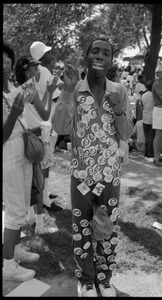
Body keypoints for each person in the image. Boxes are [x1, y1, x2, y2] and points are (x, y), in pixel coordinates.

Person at [52, 38, 134, 297]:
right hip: (82, 176)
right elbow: (60, 128)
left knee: (107, 228)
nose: (100, 56)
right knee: (82, 227)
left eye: (106, 53)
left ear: (111, 60)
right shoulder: (74, 89)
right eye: (95, 51)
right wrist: (66, 91)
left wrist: (119, 109)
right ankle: (86, 279)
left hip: (110, 174)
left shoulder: (119, 90)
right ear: (86, 56)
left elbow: (127, 133)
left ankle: (104, 278)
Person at [3, 42, 39, 281]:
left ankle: (15, 251)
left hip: (22, 147)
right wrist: (15, 112)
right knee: (15, 210)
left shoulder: (9, 86)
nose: (5, 65)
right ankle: (8, 267)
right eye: (1, 62)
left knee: (23, 204)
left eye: (8, 61)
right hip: (8, 151)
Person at [15, 56, 61, 234]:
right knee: (38, 181)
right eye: (35, 69)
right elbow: (45, 115)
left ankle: (32, 218)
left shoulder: (20, 88)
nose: (39, 71)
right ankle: (39, 225)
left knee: (31, 181)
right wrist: (50, 91)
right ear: (27, 72)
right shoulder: (31, 88)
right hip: (34, 137)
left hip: (24, 137)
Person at [30, 41, 62, 211]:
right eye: (48, 53)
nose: (51, 55)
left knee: (43, 163)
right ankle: (44, 199)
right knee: (45, 163)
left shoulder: (35, 71)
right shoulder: (44, 71)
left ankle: (45, 194)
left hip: (36, 122)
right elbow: (55, 96)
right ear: (42, 56)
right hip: (44, 123)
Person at [141, 80, 155, 161]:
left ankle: (146, 152)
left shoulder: (144, 95)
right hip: (152, 116)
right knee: (151, 136)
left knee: (147, 136)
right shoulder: (154, 95)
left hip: (145, 115)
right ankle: (150, 153)